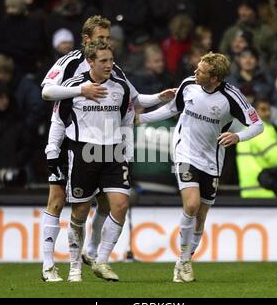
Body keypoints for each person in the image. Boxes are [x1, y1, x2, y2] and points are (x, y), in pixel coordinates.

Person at [40, 15, 175, 282]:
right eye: (101, 38)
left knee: (106, 201)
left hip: (106, 143)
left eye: (108, 38)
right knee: (57, 200)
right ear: (87, 39)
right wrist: (82, 90)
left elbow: (133, 101)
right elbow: (47, 92)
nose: (106, 42)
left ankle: (92, 252)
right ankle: (48, 266)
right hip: (71, 139)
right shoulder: (69, 62)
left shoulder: (114, 70)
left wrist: (159, 98)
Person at [136, 52, 264, 282]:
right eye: (196, 68)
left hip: (212, 159)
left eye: (201, 71)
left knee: (201, 215)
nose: (195, 73)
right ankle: (183, 261)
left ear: (214, 78)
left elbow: (258, 125)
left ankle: (185, 259)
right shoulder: (188, 85)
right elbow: (172, 109)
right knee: (192, 204)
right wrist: (142, 119)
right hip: (185, 151)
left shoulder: (232, 97)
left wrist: (238, 137)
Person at [52, 41, 133, 282]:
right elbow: (58, 118)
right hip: (83, 151)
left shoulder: (121, 87)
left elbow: (128, 118)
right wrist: (52, 149)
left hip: (114, 152)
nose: (109, 65)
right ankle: (75, 265)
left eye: (111, 60)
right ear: (90, 62)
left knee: (120, 206)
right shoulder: (73, 87)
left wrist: (126, 151)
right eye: (103, 61)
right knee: (80, 211)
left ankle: (102, 261)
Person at [236, 95, 277, 198]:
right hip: (267, 190)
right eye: (263, 109)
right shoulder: (262, 130)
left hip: (248, 190)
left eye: (269, 109)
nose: (268, 113)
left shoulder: (245, 130)